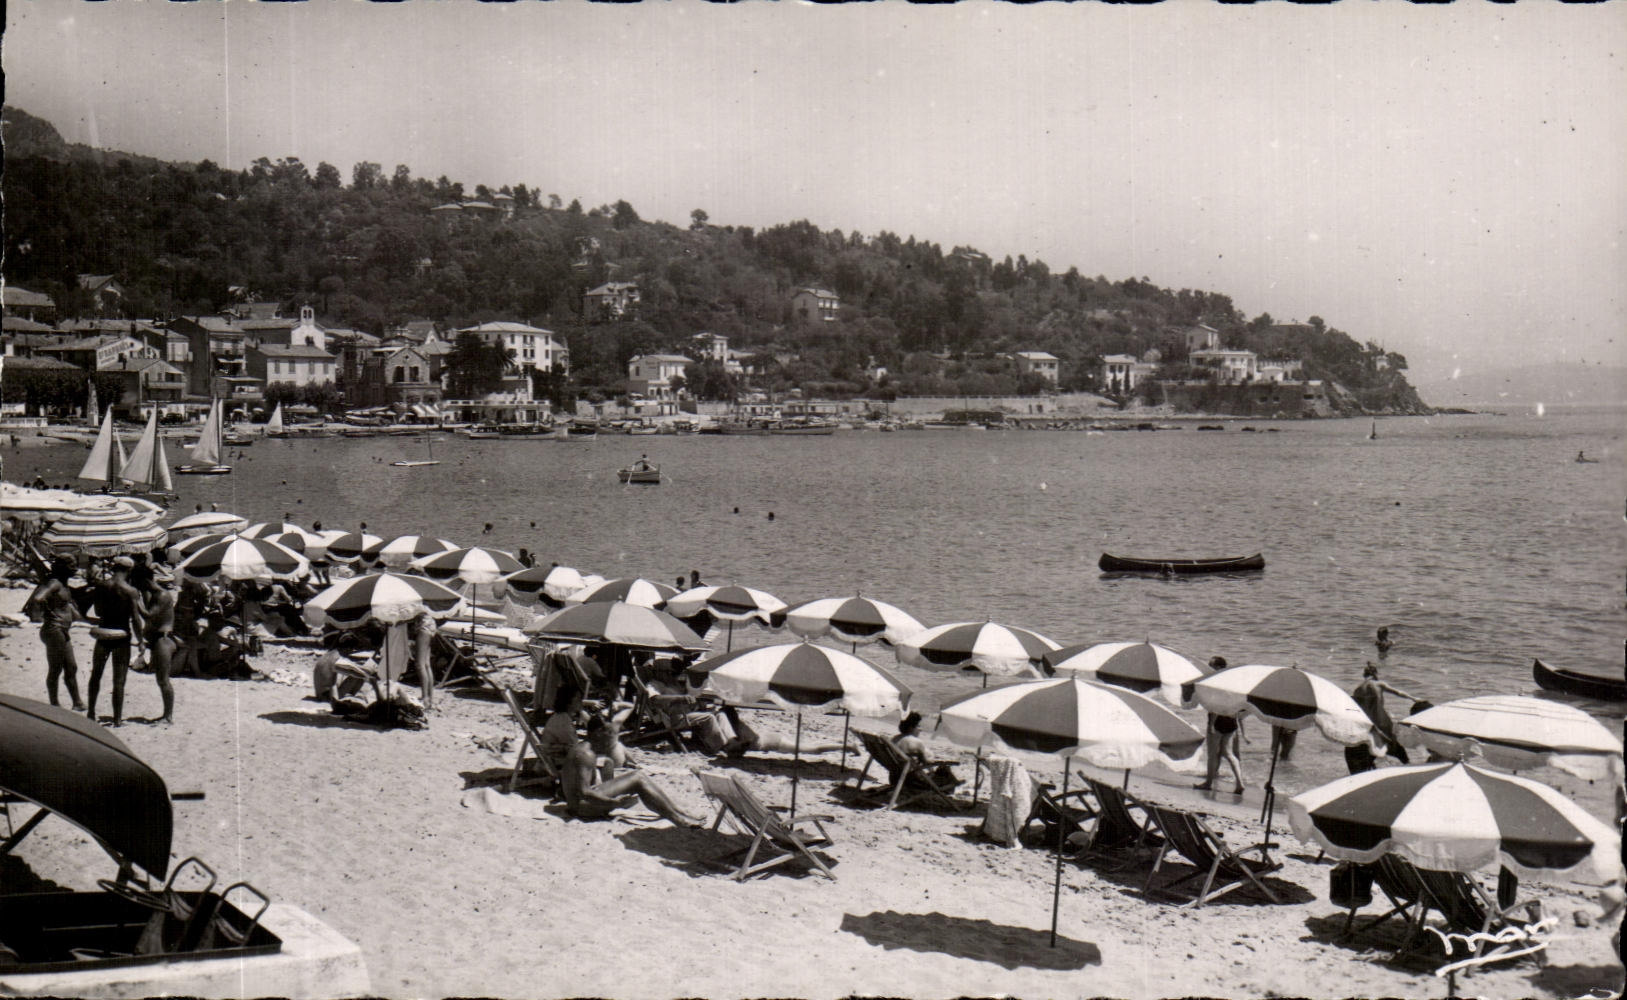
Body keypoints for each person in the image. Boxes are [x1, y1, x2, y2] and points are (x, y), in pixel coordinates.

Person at [560, 715, 707, 827]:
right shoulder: (586, 755)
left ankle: (678, 812)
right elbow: (584, 792)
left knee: (609, 762)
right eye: (609, 733)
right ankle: (677, 818)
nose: (612, 736)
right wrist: (614, 803)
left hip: (578, 804)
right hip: (582, 808)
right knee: (638, 778)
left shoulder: (583, 748)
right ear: (598, 732)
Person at [86, 557, 146, 727]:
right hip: (121, 635)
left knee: (96, 674)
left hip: (103, 633)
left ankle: (91, 712)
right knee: (118, 680)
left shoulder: (101, 586)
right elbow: (135, 619)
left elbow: (97, 611)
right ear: (129, 570)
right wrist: (141, 641)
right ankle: (117, 719)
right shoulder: (130, 591)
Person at [24, 556, 85, 711]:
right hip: (54, 630)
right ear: (63, 567)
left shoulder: (63, 585)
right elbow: (38, 598)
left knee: (71, 667)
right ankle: (54, 704)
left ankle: (77, 702)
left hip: (61, 630)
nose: (75, 568)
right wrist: (47, 613)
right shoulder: (54, 583)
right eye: (71, 564)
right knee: (56, 669)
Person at [1196, 656, 1246, 794]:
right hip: (1231, 720)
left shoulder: (1217, 681)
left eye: (1211, 666)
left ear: (1218, 667)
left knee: (1213, 754)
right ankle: (1239, 782)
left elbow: (1215, 705)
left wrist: (1211, 724)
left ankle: (1208, 782)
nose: (1209, 668)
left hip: (1217, 720)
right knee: (1229, 753)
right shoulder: (1233, 682)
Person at [1352, 661, 1416, 763]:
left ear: (1364, 675)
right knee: (1394, 743)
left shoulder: (1357, 690)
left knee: (1372, 745)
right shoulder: (1379, 684)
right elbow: (1398, 692)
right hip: (1381, 720)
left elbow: (1355, 709)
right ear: (1375, 674)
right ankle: (1407, 763)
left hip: (1367, 722)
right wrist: (1413, 698)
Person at [136, 568, 178, 724]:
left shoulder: (162, 595)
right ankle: (167, 715)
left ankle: (168, 716)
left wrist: (136, 600)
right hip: (159, 640)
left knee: (163, 680)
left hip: (163, 640)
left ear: (145, 581)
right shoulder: (155, 595)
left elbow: (148, 615)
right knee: (161, 679)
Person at [891, 711, 962, 789]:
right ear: (911, 727)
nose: (921, 729)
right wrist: (932, 757)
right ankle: (951, 786)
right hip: (910, 780)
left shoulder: (894, 739)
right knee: (944, 769)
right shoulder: (916, 742)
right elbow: (927, 762)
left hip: (895, 778)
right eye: (918, 726)